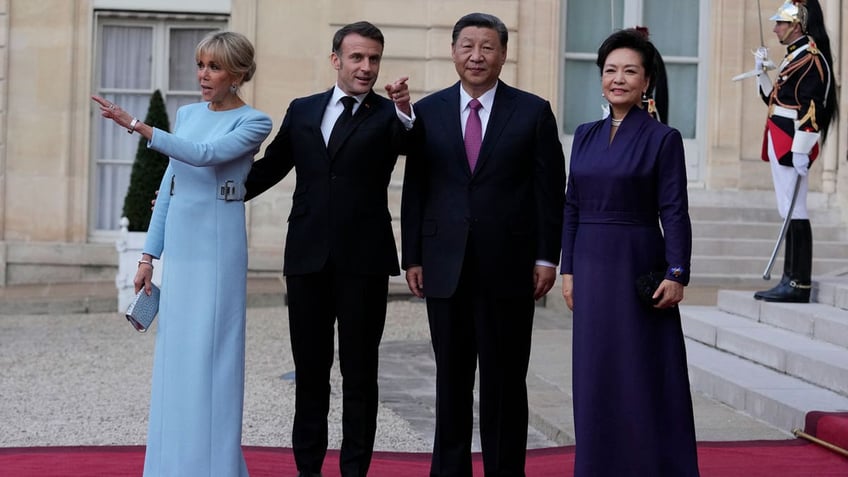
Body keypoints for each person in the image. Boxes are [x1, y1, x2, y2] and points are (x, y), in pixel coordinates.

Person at [93, 31, 272, 476]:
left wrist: (137, 125)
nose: (203, 75)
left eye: (214, 66)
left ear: (239, 74)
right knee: (176, 362)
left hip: (218, 251)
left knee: (211, 361)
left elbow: (205, 155)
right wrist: (147, 258)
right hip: (184, 249)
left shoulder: (255, 122)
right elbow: (168, 189)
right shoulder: (187, 113)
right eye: (200, 65)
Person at [242, 21, 412, 477]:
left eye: (374, 58)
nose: (367, 67)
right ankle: (308, 469)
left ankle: (354, 469)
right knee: (310, 374)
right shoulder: (302, 110)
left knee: (360, 375)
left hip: (365, 261)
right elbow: (267, 170)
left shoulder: (389, 114)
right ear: (336, 59)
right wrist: (202, 195)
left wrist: (403, 109)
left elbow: (411, 145)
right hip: (307, 259)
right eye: (357, 57)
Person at [400, 12, 566, 476]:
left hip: (510, 268)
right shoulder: (427, 113)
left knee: (505, 381)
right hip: (443, 265)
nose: (477, 55)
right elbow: (416, 189)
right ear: (453, 52)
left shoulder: (532, 111)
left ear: (503, 54)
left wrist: (546, 257)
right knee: (450, 380)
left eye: (487, 46)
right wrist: (411, 255)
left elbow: (549, 192)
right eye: (468, 45)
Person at [560, 28, 699, 476]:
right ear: (601, 77)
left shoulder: (663, 138)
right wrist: (568, 268)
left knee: (641, 370)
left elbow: (674, 210)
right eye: (610, 70)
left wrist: (677, 272)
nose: (617, 79)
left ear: (646, 82)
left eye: (629, 71)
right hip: (589, 263)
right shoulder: (583, 134)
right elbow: (572, 205)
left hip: (638, 261)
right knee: (595, 371)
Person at [753, 0, 836, 303]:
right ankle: (790, 278)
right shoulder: (794, 57)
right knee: (787, 208)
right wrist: (761, 72)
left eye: (781, 23)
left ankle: (798, 281)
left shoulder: (810, 58)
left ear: (796, 26)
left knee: (795, 209)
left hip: (793, 141)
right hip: (780, 136)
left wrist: (803, 149)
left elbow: (812, 108)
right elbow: (775, 100)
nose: (775, 28)